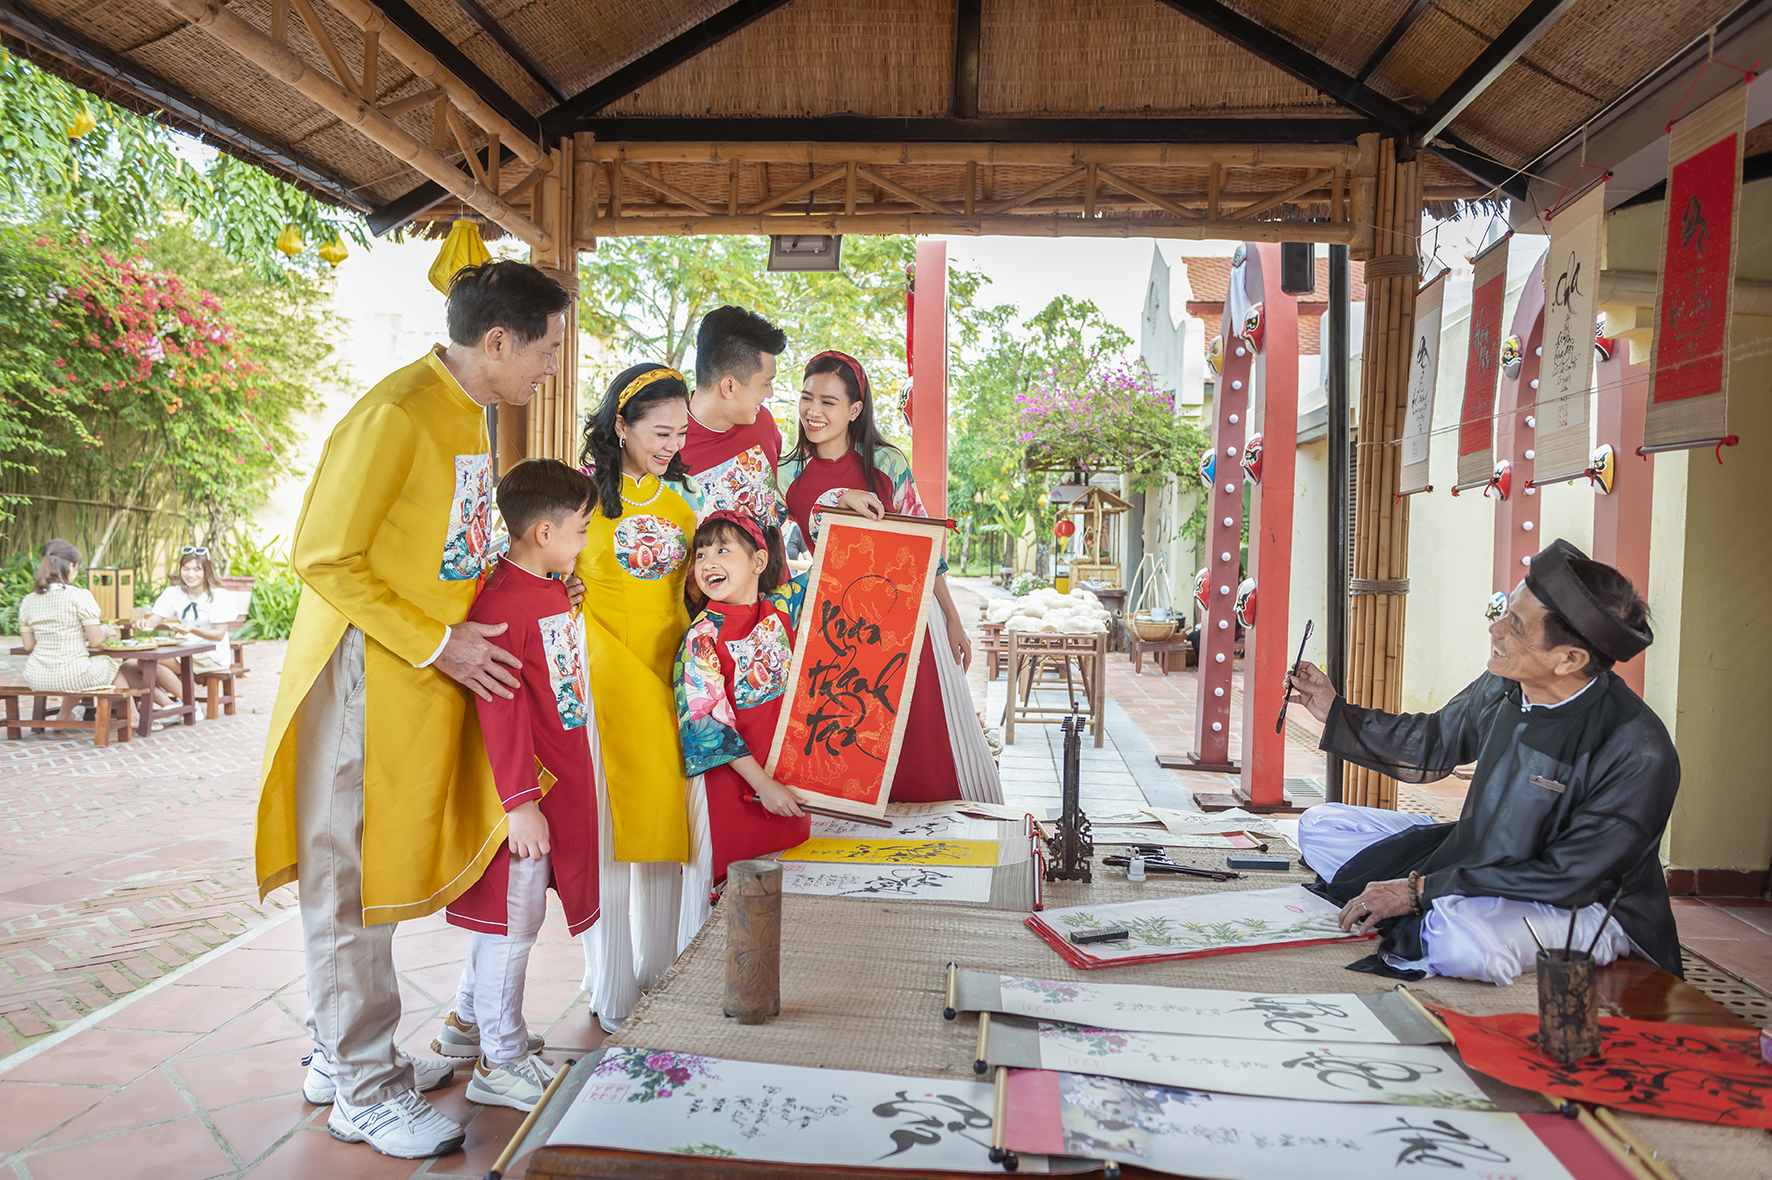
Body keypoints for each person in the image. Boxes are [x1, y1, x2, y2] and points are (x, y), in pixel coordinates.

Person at [255, 260, 573, 1159]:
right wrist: (439, 644)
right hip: (367, 669)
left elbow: (453, 548)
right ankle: (360, 1086)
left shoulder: (465, 410)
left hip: (413, 678)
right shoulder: (397, 412)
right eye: (548, 347)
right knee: (346, 875)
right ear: (499, 340)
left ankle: (342, 1050)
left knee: (378, 859)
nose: (552, 364)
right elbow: (322, 553)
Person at [1289, 539, 1678, 986]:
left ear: (1569, 659)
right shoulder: (1506, 684)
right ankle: (1441, 893)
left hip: (1581, 903)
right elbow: (1435, 741)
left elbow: (1567, 877)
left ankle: (1453, 910)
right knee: (1321, 824)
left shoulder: (1637, 750)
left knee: (1460, 940)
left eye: (1515, 624)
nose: (1495, 630)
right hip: (1481, 851)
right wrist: (1335, 709)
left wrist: (1419, 890)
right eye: (1505, 612)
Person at [436, 459, 599, 1112]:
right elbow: (501, 707)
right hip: (528, 794)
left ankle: (466, 1026)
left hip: (552, 783)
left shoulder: (545, 586)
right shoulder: (502, 604)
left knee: (511, 919)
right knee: (513, 923)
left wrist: (568, 595)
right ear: (542, 533)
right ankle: (498, 1060)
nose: (586, 542)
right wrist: (520, 803)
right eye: (581, 531)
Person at [778, 350, 1002, 804]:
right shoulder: (785, 473)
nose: (813, 412)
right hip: (835, 629)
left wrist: (952, 620)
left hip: (904, 620)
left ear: (855, 410)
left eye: (828, 401)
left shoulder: (886, 464)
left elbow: (925, 547)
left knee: (917, 737)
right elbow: (759, 543)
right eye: (806, 398)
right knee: (850, 741)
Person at [574, 364, 704, 1032]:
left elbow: (694, 591)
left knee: (662, 833)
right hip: (600, 681)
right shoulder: (580, 500)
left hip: (666, 679)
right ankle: (609, 980)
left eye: (680, 434)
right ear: (619, 425)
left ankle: (663, 971)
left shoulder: (682, 507)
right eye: (659, 432)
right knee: (607, 837)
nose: (671, 445)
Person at [675, 511, 809, 886]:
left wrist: (842, 499)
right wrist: (763, 786)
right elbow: (709, 727)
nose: (708, 563)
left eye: (722, 550)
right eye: (700, 555)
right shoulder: (701, 636)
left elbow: (836, 559)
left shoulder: (782, 608)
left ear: (759, 561)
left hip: (789, 782)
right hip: (737, 792)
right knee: (738, 899)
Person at [17, 539, 155, 728]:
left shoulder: (28, 600)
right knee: (110, 664)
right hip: (72, 673)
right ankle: (133, 718)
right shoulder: (78, 595)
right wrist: (105, 631)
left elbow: (29, 646)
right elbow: (96, 640)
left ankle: (63, 719)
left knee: (79, 670)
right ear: (71, 566)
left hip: (36, 676)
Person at [680, 305, 790, 526]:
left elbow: (787, 494)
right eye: (766, 383)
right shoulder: (666, 445)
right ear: (729, 386)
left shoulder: (763, 422)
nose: (770, 393)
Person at [143, 546, 236, 681]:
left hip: (210, 655)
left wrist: (192, 629)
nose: (190, 574)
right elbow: (152, 621)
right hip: (182, 651)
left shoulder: (219, 596)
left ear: (207, 571)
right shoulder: (173, 593)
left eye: (197, 569)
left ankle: (186, 701)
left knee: (152, 662)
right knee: (131, 666)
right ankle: (172, 702)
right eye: (185, 569)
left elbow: (219, 635)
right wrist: (144, 624)